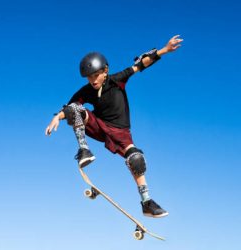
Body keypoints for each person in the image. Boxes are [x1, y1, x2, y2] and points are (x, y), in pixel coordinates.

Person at [45, 35, 183, 218]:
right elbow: (69, 107)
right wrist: (57, 117)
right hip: (98, 127)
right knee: (74, 109)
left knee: (136, 160)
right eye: (89, 78)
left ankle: (147, 202)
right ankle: (84, 150)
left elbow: (140, 65)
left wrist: (165, 50)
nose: (93, 81)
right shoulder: (86, 91)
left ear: (105, 71)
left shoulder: (117, 80)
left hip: (121, 133)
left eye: (96, 76)